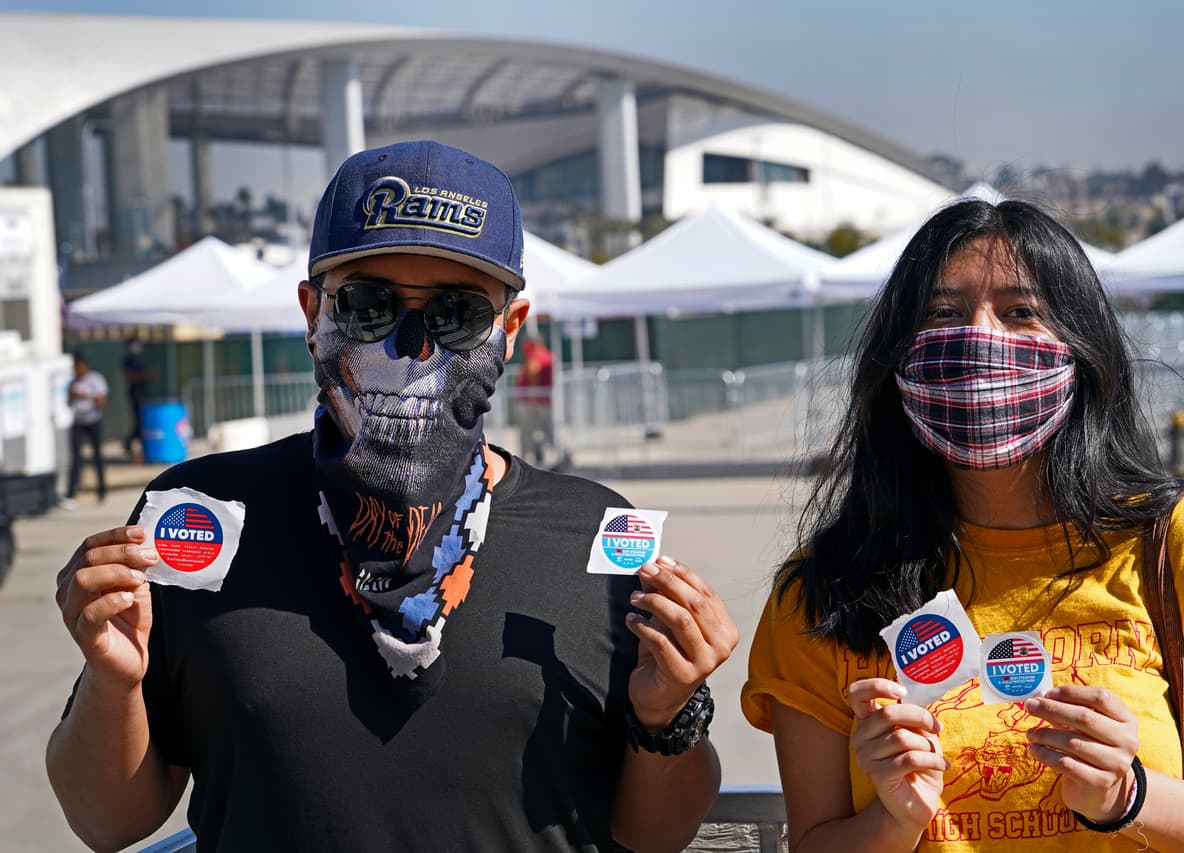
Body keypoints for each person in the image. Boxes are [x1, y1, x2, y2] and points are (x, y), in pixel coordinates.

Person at [48, 140, 738, 852]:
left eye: (458, 312)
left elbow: (656, 834)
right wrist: (112, 680)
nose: (412, 346)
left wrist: (670, 714)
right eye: (369, 304)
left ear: (511, 327)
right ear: (312, 310)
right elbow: (110, 821)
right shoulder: (200, 518)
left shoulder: (595, 535)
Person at [742, 199, 1184, 851]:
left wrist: (1128, 795)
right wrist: (894, 818)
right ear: (897, 355)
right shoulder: (824, 590)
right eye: (942, 313)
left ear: (1082, 348)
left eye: (1021, 311)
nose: (978, 339)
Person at [64, 351, 108, 507]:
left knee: (97, 457)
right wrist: (72, 395)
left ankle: (102, 491)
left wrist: (83, 395)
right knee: (76, 458)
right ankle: (70, 494)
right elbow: (68, 403)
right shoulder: (71, 382)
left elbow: (101, 402)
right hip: (78, 421)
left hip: (93, 421)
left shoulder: (95, 380)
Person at [516, 332, 555, 465]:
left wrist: (532, 402)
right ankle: (553, 458)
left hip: (532, 403)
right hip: (542, 402)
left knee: (528, 434)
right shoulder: (548, 355)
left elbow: (533, 375)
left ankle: (525, 462)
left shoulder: (536, 357)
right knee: (546, 432)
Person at [121, 335, 152, 463]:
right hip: (135, 393)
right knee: (139, 422)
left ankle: (131, 444)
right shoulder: (128, 360)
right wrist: (144, 375)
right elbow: (130, 376)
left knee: (142, 422)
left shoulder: (139, 359)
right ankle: (129, 444)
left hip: (143, 392)